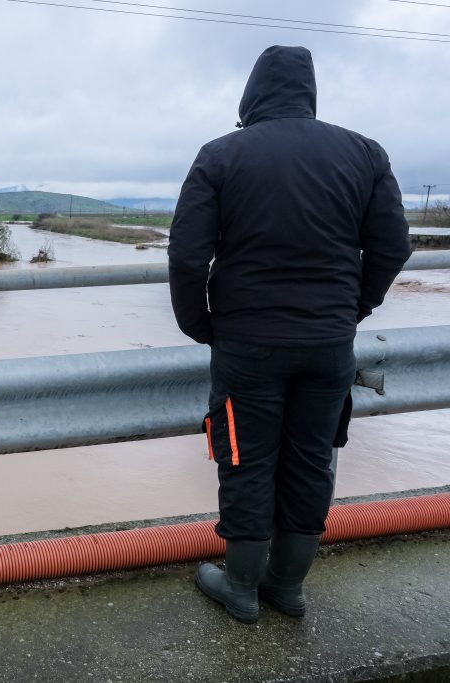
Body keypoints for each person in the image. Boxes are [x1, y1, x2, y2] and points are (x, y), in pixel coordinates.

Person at [167, 45, 412, 624]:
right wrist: (353, 309)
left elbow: (187, 256)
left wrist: (200, 324)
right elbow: (393, 247)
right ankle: (288, 587)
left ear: (250, 94)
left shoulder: (221, 154)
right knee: (311, 462)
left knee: (246, 461)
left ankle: (241, 588)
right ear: (310, 92)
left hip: (247, 344)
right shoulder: (365, 153)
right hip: (328, 346)